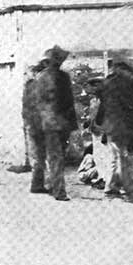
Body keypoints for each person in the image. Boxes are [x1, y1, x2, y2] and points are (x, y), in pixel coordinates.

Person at [33, 45, 78, 202]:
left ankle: (47, 185)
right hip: (52, 124)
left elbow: (69, 102)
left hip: (57, 123)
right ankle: (59, 191)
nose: (57, 62)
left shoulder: (59, 77)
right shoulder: (47, 78)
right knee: (56, 157)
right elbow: (40, 103)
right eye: (56, 60)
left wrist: (72, 125)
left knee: (55, 156)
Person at [96, 55, 133, 203]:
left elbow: (102, 105)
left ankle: (112, 187)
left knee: (116, 157)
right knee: (124, 157)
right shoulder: (130, 81)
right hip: (125, 125)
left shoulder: (107, 82)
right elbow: (132, 105)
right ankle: (126, 189)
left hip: (111, 125)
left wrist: (99, 122)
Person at [23, 61, 46, 190]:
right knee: (39, 156)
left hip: (35, 125)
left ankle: (37, 184)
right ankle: (37, 184)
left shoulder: (30, 85)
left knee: (38, 156)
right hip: (37, 125)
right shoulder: (35, 86)